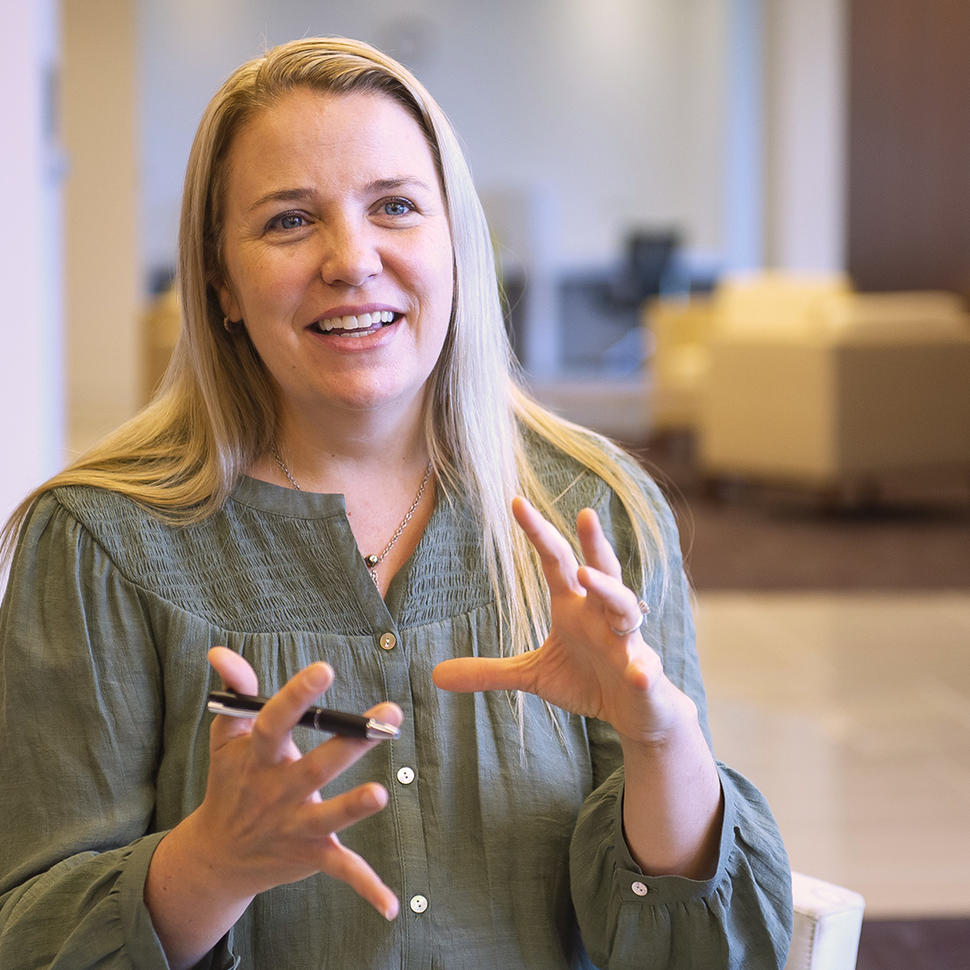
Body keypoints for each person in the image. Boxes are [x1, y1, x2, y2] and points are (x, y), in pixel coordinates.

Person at [0, 37, 792, 969]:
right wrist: (207, 866)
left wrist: (661, 744)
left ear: (456, 243)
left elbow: (698, 953)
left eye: (396, 207)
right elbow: (30, 936)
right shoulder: (98, 544)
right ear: (220, 284)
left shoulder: (599, 512)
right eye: (290, 220)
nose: (351, 260)